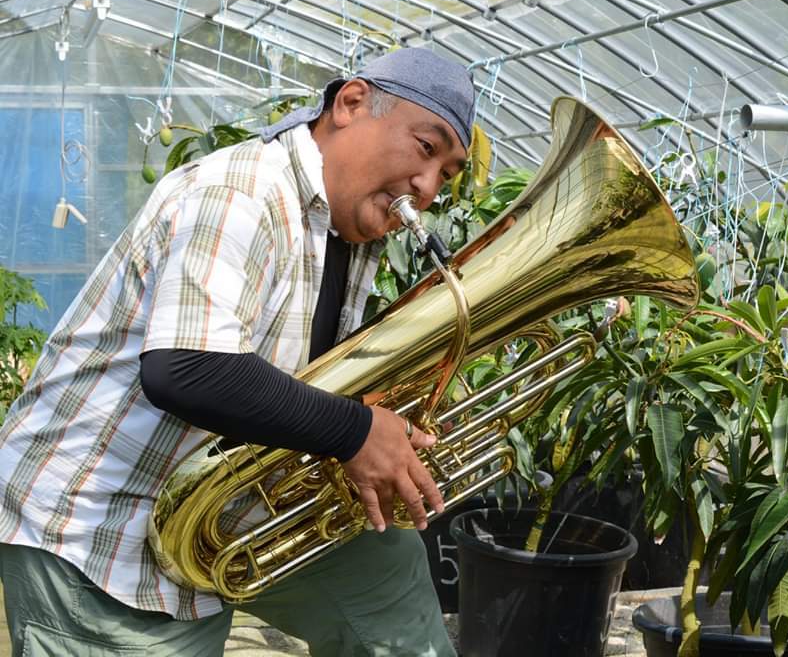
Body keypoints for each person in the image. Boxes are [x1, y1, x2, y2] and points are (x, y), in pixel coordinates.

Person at [0, 46, 474, 656]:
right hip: (103, 526)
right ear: (351, 104)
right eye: (426, 148)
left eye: (446, 176)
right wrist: (358, 431)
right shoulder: (241, 189)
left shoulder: (348, 229)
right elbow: (186, 370)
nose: (428, 188)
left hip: (219, 502)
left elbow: (293, 376)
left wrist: (391, 421)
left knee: (387, 567)